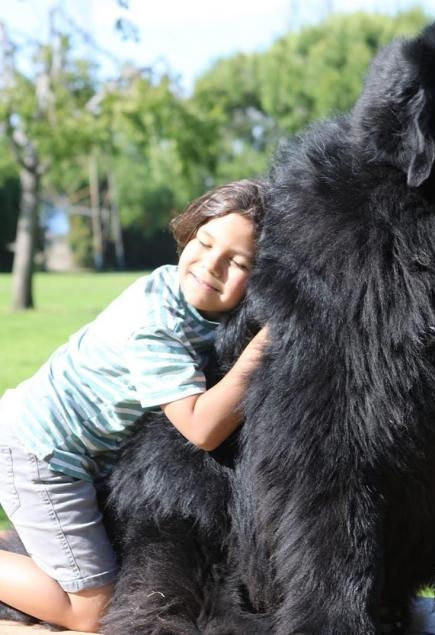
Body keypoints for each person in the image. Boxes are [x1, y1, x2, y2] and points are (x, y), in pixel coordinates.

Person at [0, 179, 268, 632]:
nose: (211, 266)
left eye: (236, 262)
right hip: (41, 455)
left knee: (93, 568)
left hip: (81, 457)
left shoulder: (203, 311)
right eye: (204, 243)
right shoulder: (156, 322)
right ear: (190, 231)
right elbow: (201, 428)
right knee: (91, 612)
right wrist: (268, 342)